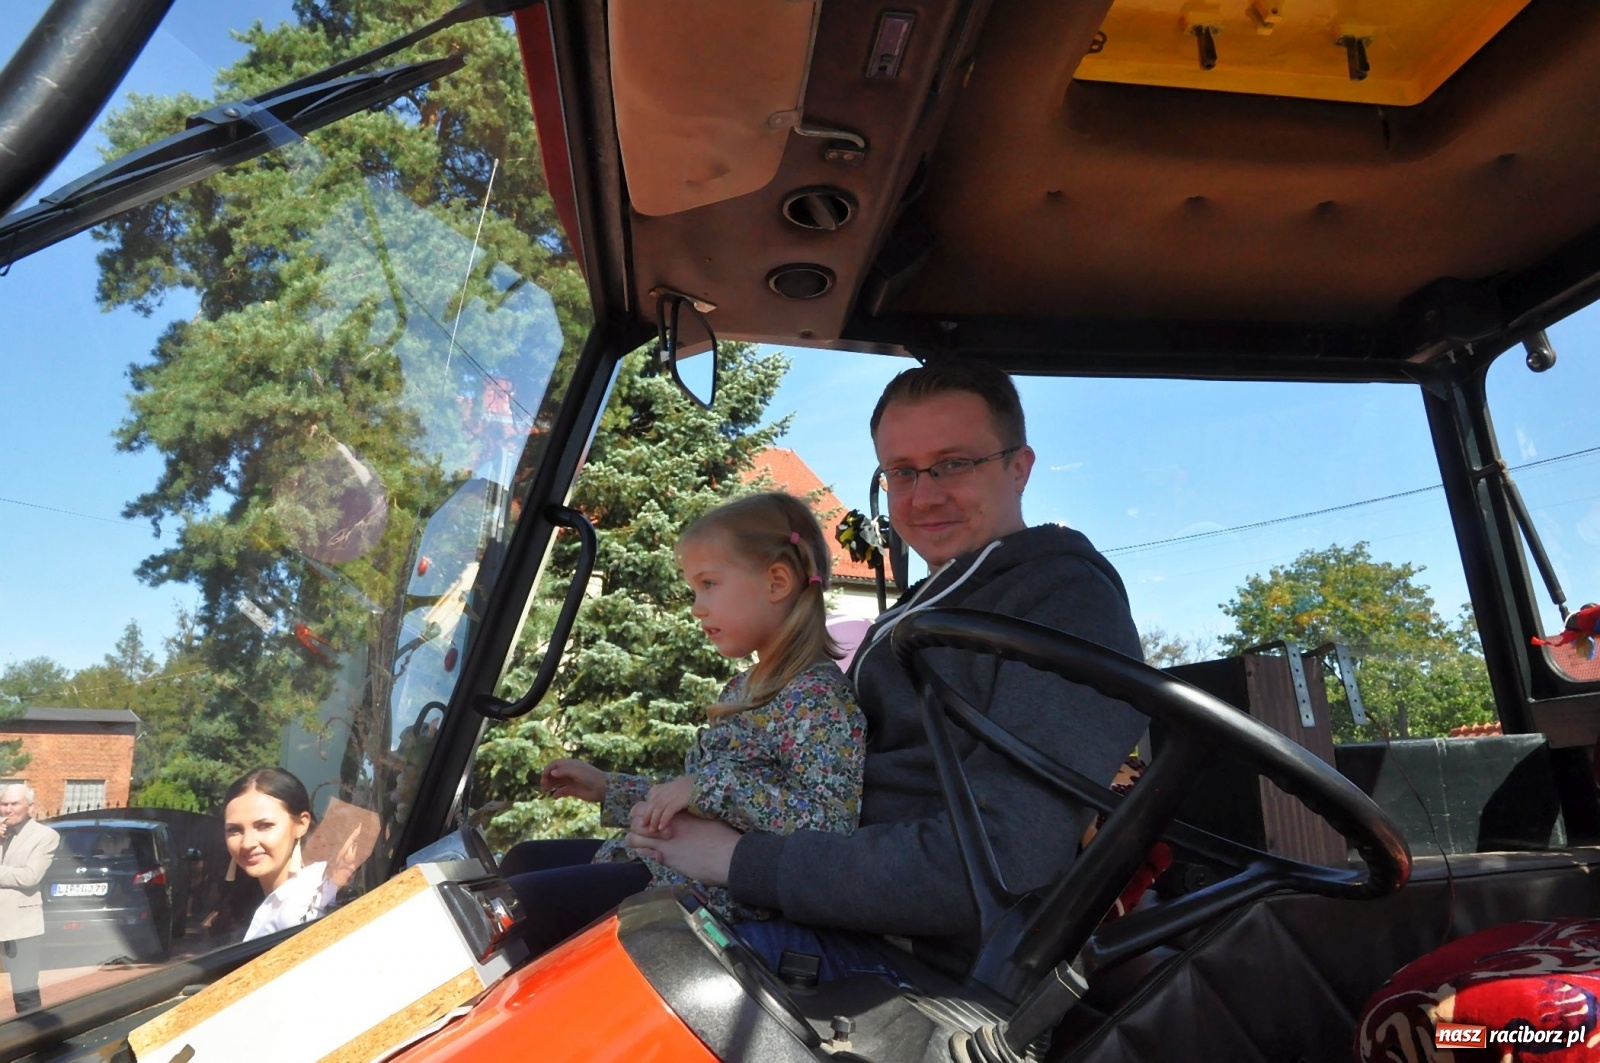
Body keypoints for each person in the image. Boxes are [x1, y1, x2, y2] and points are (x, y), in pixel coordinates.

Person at [629, 361, 1149, 976]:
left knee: (602, 954)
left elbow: (1003, 864)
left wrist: (739, 861)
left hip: (915, 959)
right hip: (823, 900)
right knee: (534, 874)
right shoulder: (921, 611)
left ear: (1019, 467)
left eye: (954, 463)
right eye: (901, 472)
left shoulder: (1061, 603)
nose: (924, 496)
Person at [502, 491, 867, 952]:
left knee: (523, 905)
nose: (696, 607)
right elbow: (697, 800)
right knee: (520, 860)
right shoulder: (744, 687)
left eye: (709, 584)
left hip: (709, 898)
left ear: (777, 582)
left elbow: (830, 827)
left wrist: (707, 789)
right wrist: (610, 789)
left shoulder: (818, 698)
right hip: (662, 865)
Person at [219, 767, 362, 942]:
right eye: (234, 830)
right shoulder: (259, 900)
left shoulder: (309, 901)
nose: (247, 843)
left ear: (301, 824)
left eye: (264, 826)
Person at [0, 784, 59, 1014]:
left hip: (20, 926)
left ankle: (33, 1041)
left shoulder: (45, 836)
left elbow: (30, 876)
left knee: (25, 993)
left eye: (15, 804)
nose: (8, 809)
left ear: (30, 807)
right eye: (4, 804)